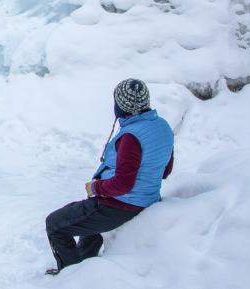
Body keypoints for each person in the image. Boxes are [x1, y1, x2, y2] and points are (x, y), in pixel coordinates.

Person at [44, 78, 174, 275]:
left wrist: (95, 188)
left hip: (120, 205)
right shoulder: (162, 126)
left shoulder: (131, 137)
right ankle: (85, 265)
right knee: (84, 222)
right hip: (146, 198)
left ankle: (70, 277)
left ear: (120, 107)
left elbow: (123, 185)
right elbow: (165, 170)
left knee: (55, 225)